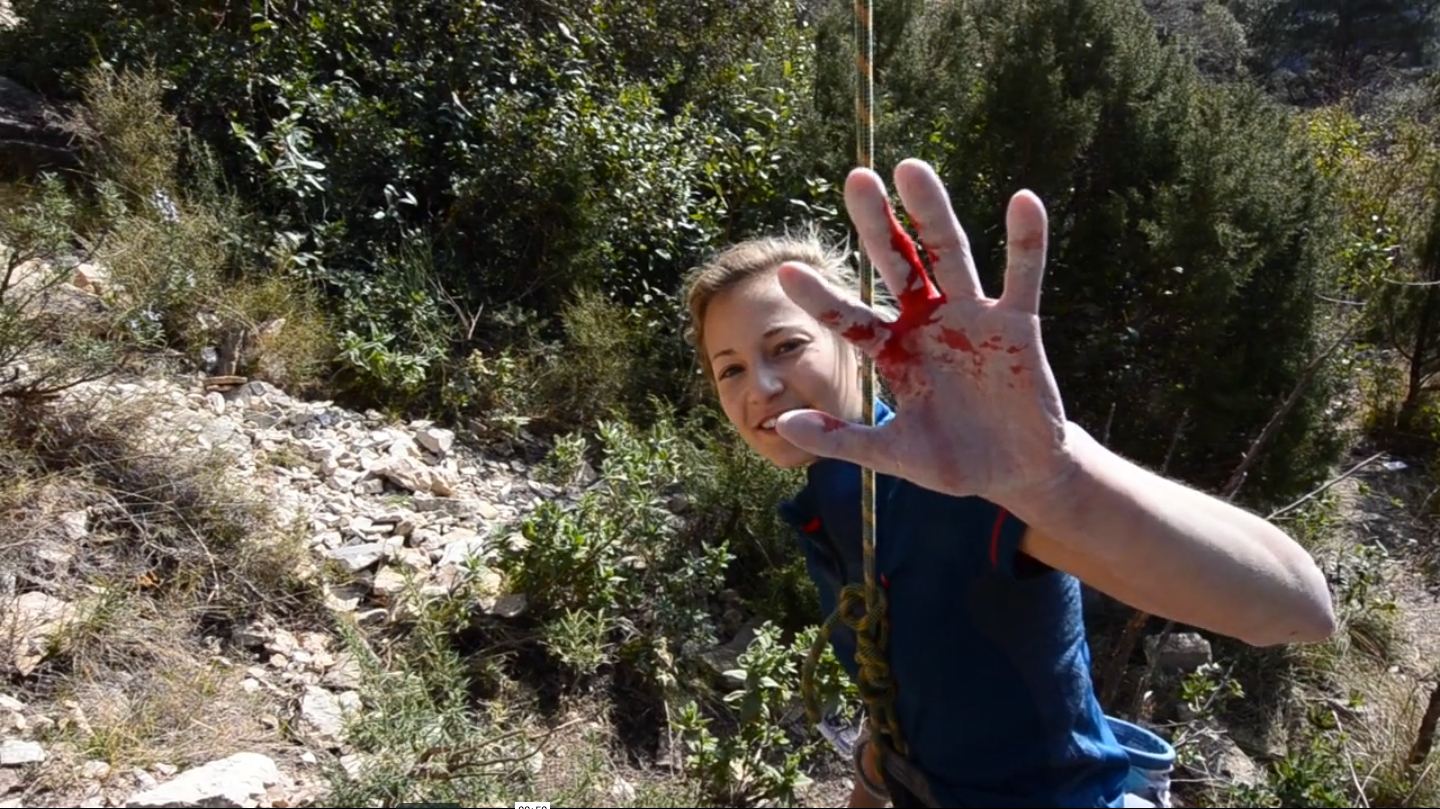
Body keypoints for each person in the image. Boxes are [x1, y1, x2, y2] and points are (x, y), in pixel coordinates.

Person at [679, 158, 1337, 808]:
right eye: (728, 369)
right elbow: (903, 709)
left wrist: (1060, 478)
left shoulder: (961, 482)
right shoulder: (830, 506)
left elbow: (1297, 608)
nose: (757, 388)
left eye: (787, 346)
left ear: (858, 340)